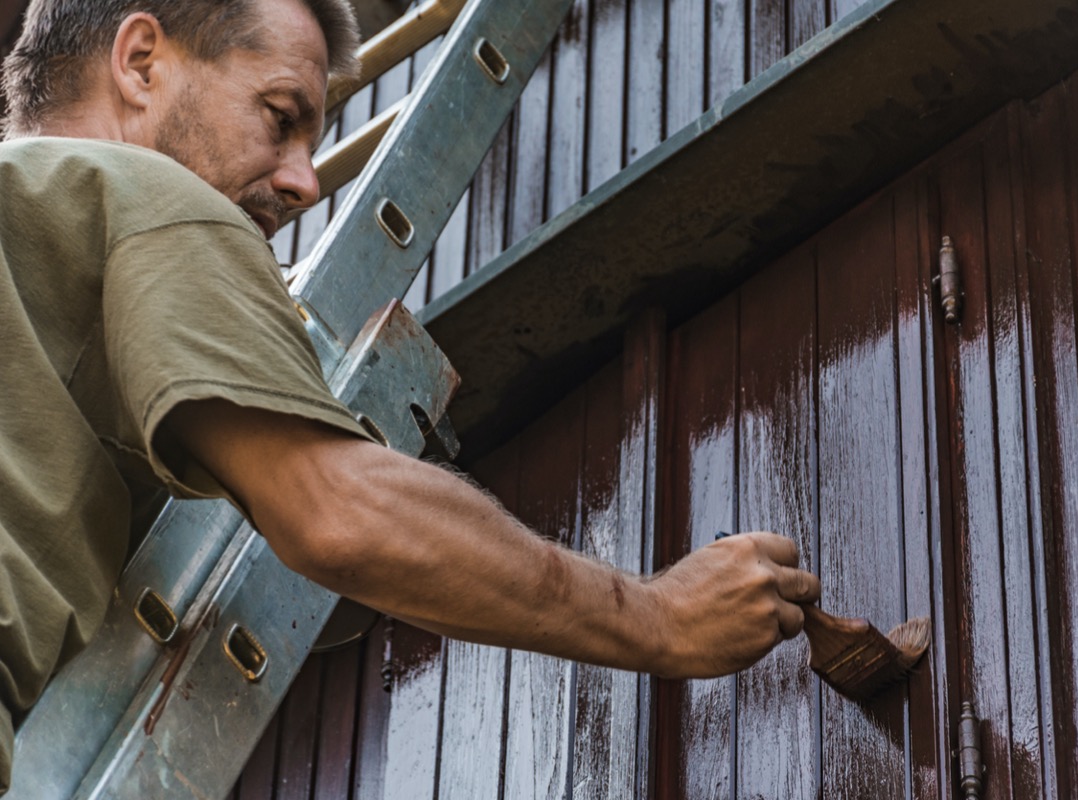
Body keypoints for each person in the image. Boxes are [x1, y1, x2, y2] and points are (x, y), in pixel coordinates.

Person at [0, 0, 821, 790]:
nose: (303, 184)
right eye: (281, 116)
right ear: (142, 63)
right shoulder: (145, 197)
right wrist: (662, 615)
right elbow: (333, 508)